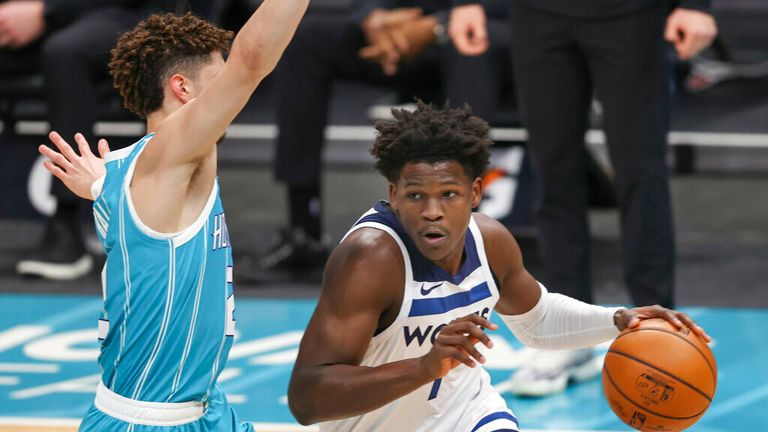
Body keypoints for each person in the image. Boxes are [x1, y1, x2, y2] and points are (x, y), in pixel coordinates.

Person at [287, 102, 711, 431]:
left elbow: (537, 321)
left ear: (475, 193)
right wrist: (424, 367)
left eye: (449, 195)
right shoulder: (370, 259)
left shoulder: (490, 241)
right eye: (416, 196)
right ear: (394, 195)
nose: (432, 211)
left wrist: (619, 320)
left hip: (468, 415)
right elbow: (306, 400)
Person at [36, 2, 308, 430]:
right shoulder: (172, 153)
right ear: (182, 88)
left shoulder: (118, 172)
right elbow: (252, 60)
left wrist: (95, 187)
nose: (232, 97)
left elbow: (125, 203)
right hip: (151, 422)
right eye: (219, 82)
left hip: (205, 407)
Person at [448, 0, 717, 395]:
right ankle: (568, 341)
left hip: (632, 14)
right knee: (552, 170)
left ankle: (657, 330)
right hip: (539, 14)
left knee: (641, 171)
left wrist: (696, 5)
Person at [251, 0, 511, 278]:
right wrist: (373, 18)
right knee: (309, 39)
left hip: (484, 31)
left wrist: (439, 25)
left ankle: (462, 235)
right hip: (400, 32)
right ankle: (304, 230)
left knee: (468, 47)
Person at [1, 0, 171, 280]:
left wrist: (47, 11)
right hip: (37, 18)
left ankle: (67, 226)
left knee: (65, 51)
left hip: (127, 12)